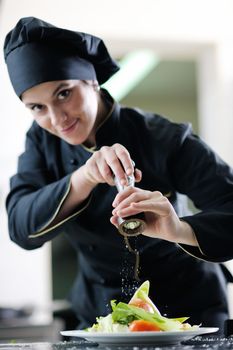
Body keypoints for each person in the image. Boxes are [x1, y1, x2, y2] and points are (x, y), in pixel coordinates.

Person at [3, 16, 233, 332]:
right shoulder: (41, 142)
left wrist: (177, 229)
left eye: (63, 94)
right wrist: (82, 178)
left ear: (93, 81)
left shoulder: (163, 137)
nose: (57, 119)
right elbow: (19, 227)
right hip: (102, 315)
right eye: (36, 107)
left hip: (189, 308)